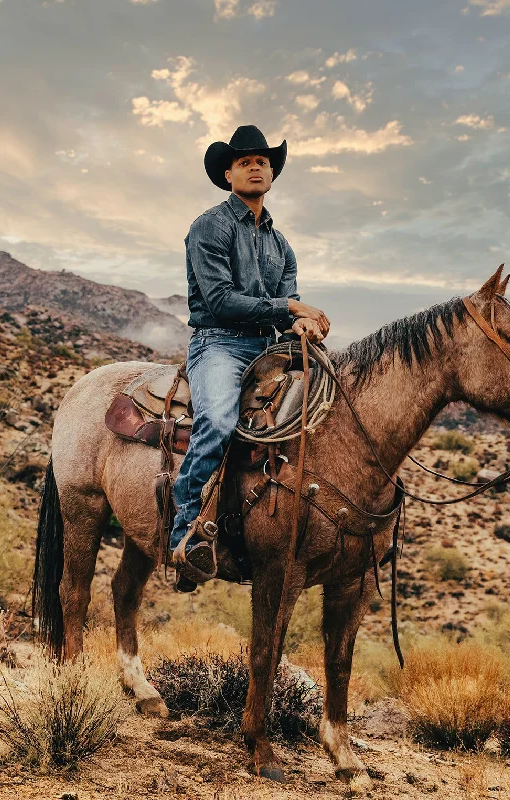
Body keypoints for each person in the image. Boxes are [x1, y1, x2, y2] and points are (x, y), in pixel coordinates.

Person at [170, 125, 330, 590]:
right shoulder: (209, 227)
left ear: (272, 173)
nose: (256, 165)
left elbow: (287, 303)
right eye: (245, 161)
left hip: (269, 347)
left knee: (325, 410)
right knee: (218, 420)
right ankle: (184, 532)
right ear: (228, 173)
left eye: (263, 160)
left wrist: (298, 324)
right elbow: (220, 300)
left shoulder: (282, 246)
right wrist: (290, 308)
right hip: (219, 341)